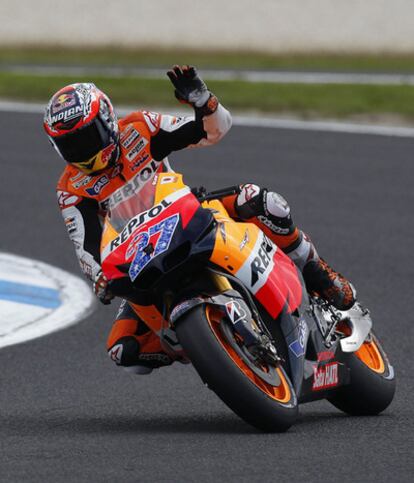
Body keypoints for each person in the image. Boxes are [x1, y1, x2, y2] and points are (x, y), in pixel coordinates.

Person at [44, 65, 355, 375]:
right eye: (71, 144)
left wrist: (203, 101)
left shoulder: (140, 127)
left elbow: (212, 131)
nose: (84, 151)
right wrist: (101, 279)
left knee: (264, 203)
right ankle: (205, 344)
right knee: (124, 351)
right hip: (140, 256)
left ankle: (320, 275)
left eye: (88, 137)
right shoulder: (71, 188)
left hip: (187, 215)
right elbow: (85, 246)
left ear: (108, 120)